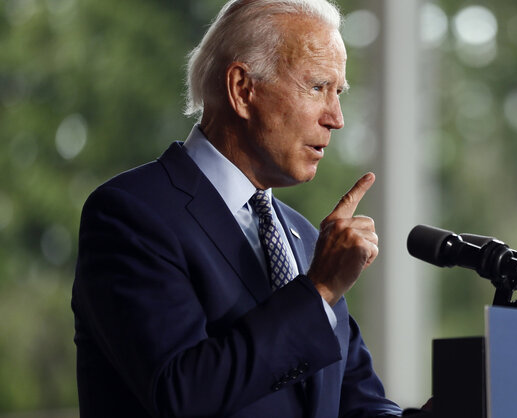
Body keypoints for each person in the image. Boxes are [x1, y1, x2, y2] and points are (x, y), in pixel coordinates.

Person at [71, 0, 403, 416]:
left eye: (339, 93)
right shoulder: (130, 214)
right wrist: (318, 291)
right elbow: (181, 394)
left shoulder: (306, 240)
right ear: (243, 89)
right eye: (318, 87)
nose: (336, 118)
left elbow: (357, 403)